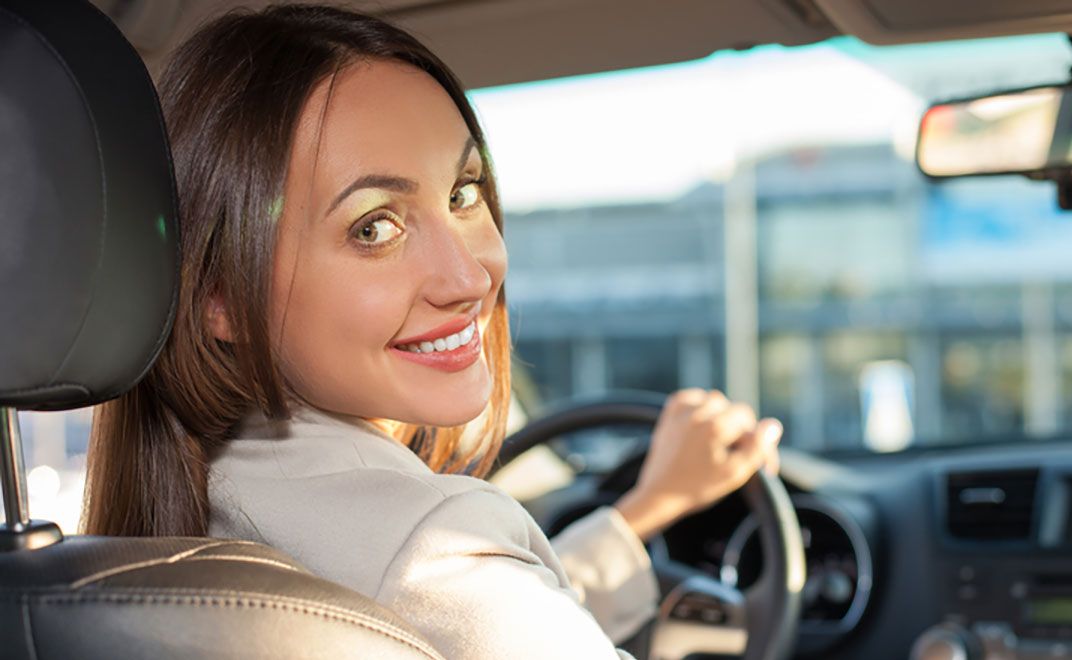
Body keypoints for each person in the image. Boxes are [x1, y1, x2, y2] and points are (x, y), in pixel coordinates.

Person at [82, 6, 782, 659]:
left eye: (462, 193)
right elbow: (444, 591)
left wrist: (644, 513)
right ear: (221, 298)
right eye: (373, 228)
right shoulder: (432, 541)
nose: (469, 277)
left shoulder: (222, 495)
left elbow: (449, 612)